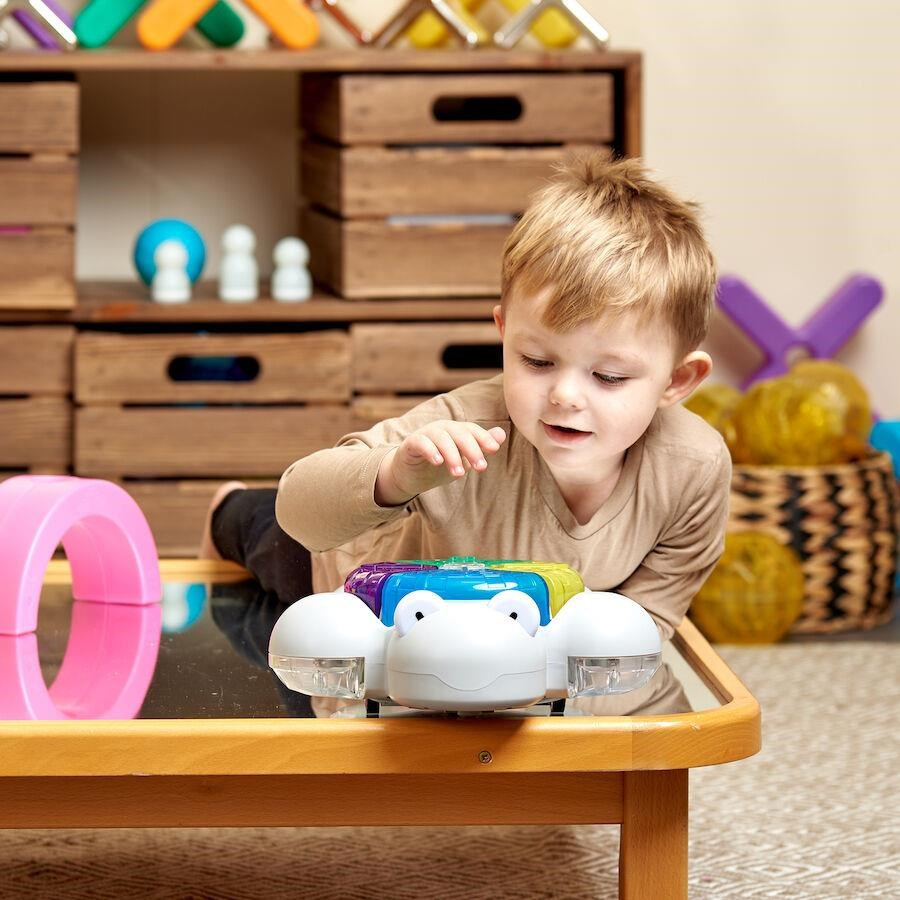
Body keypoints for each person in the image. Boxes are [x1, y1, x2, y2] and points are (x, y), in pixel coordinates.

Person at [203, 152, 731, 642]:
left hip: (497, 642)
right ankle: (226, 508)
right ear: (504, 332)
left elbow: (647, 622)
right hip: (349, 584)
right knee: (261, 569)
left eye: (609, 377)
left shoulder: (693, 469)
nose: (566, 395)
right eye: (537, 361)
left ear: (677, 380)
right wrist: (395, 476)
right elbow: (300, 509)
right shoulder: (466, 429)